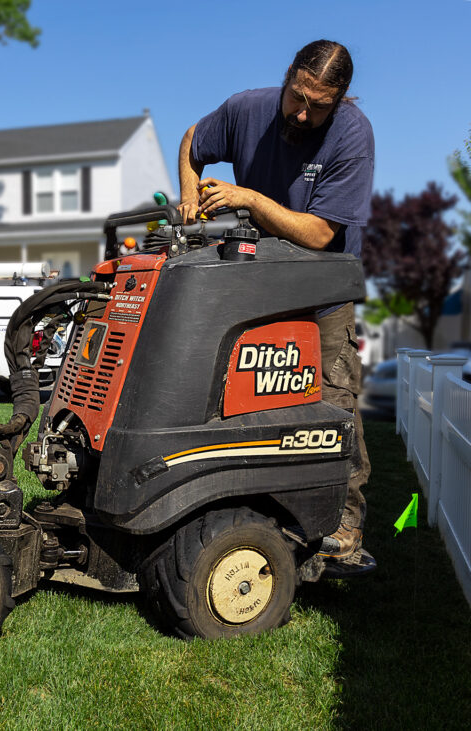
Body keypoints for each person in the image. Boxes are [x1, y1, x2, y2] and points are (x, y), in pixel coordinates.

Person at [177, 40, 374, 562]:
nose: (303, 113)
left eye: (319, 106)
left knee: (332, 404)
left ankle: (343, 523)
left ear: (341, 100)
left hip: (322, 293)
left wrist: (248, 198)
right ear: (288, 77)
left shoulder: (352, 136)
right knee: (245, 394)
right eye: (297, 97)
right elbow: (194, 138)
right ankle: (256, 503)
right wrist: (190, 197)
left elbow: (319, 234)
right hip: (258, 285)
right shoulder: (246, 108)